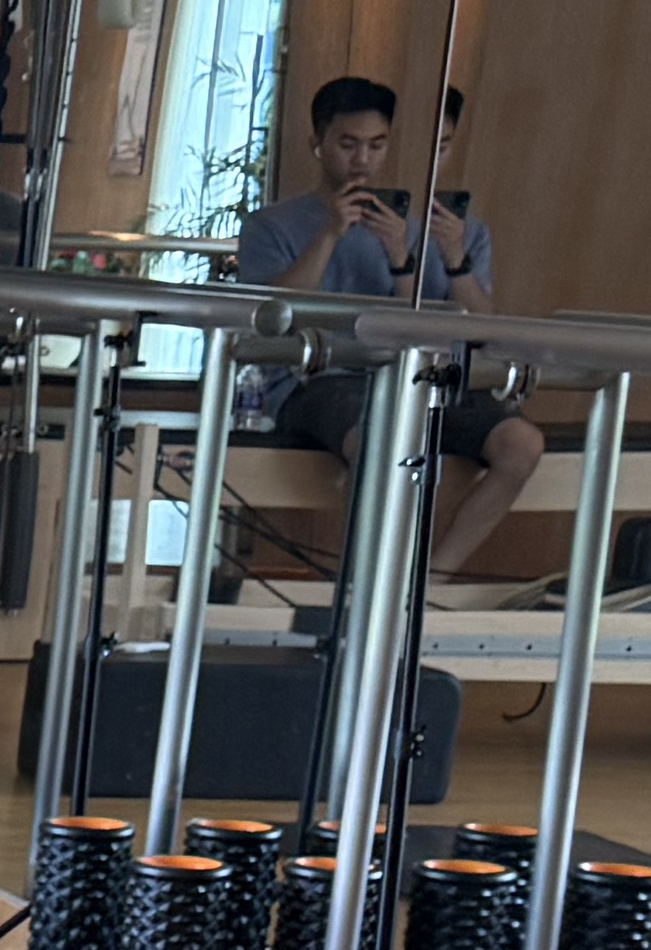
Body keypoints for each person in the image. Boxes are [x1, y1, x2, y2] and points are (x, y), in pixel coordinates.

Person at [231, 73, 547, 578]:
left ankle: (432, 580)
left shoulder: (448, 231)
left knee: (522, 445)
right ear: (318, 144)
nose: (362, 160)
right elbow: (274, 315)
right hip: (320, 381)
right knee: (380, 442)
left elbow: (467, 331)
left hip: (423, 377)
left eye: (376, 146)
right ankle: (366, 587)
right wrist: (330, 234)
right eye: (348, 145)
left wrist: (411, 258)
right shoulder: (270, 225)